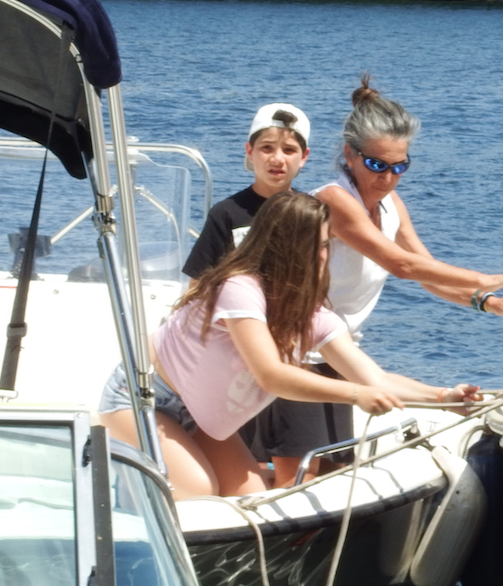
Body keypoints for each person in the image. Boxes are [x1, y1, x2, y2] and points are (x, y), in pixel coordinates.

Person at [97, 191, 480, 498]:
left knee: (249, 497)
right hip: (142, 398)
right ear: (283, 248)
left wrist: (445, 397)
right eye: (316, 245)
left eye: (326, 245)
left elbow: (373, 376)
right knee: (200, 491)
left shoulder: (311, 315)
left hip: (198, 417)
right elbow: (272, 376)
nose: (324, 255)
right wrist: (354, 394)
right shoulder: (239, 290)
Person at [252, 74, 503, 485]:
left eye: (399, 167)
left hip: (336, 355)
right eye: (376, 165)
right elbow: (401, 265)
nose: (387, 177)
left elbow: (427, 272)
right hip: (295, 353)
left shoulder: (390, 205)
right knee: (298, 480)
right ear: (349, 154)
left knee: (333, 471)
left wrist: (488, 302)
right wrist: (491, 278)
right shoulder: (333, 199)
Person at [182, 103, 310, 279]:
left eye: (289, 150)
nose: (277, 159)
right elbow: (198, 287)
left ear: (303, 157)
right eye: (267, 148)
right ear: (250, 151)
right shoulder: (225, 214)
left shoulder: (310, 214)